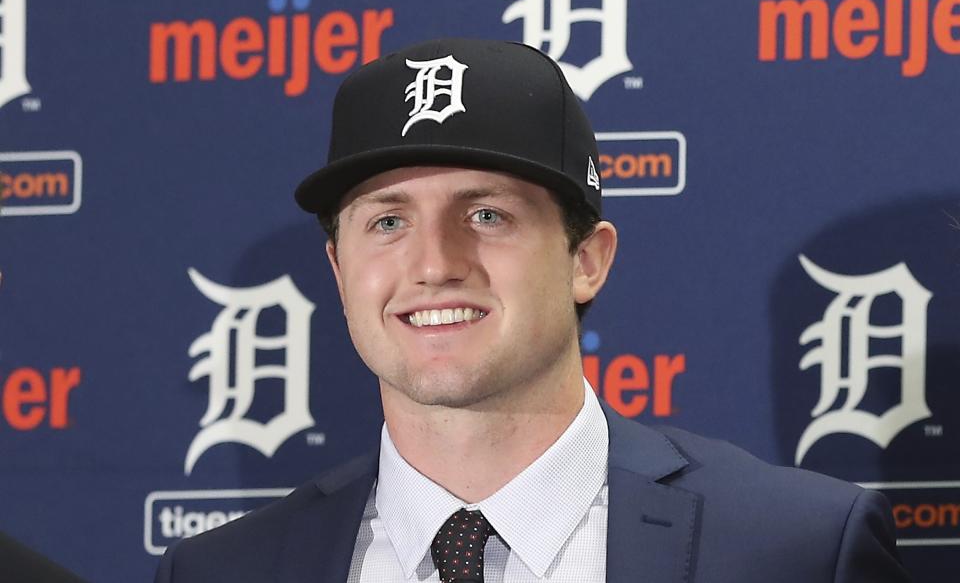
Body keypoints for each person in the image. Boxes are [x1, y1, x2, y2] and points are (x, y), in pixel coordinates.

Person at [155, 38, 910, 582]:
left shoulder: (796, 550)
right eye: (387, 221)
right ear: (338, 267)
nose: (434, 263)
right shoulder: (222, 569)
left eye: (486, 215)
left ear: (587, 258)